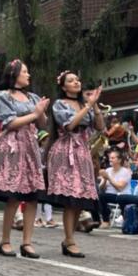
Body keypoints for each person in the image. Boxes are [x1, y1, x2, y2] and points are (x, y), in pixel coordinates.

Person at [0, 59, 49, 259]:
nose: (28, 75)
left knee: (33, 195)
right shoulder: (3, 95)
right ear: (15, 74)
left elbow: (42, 123)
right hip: (13, 146)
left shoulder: (33, 96)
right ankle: (5, 240)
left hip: (31, 146)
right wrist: (34, 113)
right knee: (14, 194)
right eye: (25, 71)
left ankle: (27, 242)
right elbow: (9, 123)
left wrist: (42, 112)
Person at [44, 71, 103, 258]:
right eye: (71, 80)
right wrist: (89, 106)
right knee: (71, 197)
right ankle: (69, 239)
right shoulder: (59, 104)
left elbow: (100, 127)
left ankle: (69, 239)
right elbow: (69, 125)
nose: (76, 82)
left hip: (82, 152)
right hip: (65, 151)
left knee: (81, 198)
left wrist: (95, 107)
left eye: (77, 79)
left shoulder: (84, 104)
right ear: (63, 87)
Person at [97, 148, 132, 227]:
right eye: (110, 158)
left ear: (119, 160)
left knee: (103, 196)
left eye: (113, 158)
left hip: (121, 195)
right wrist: (105, 179)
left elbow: (120, 188)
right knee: (98, 195)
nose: (110, 160)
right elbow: (101, 187)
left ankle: (107, 220)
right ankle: (102, 219)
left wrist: (108, 177)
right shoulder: (108, 170)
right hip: (109, 195)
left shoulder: (126, 172)